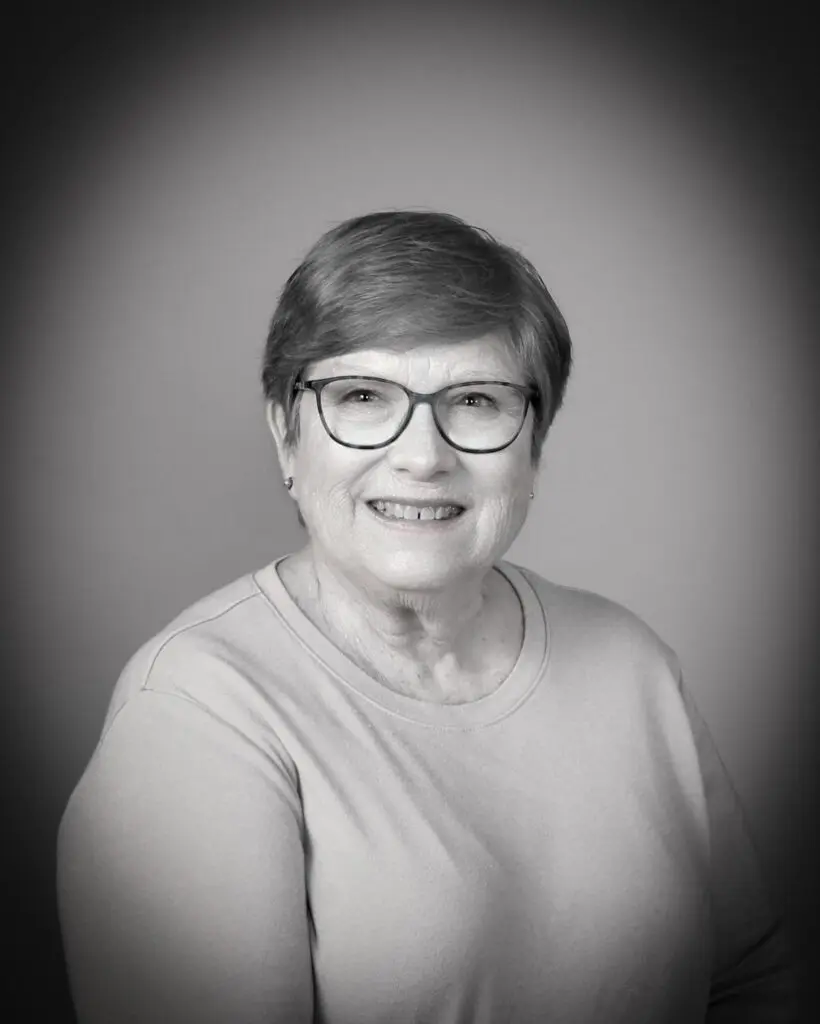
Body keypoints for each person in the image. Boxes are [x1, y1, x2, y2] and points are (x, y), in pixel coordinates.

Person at [57, 210, 795, 1022]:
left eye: (475, 400)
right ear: (286, 437)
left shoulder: (633, 665)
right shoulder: (194, 713)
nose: (423, 456)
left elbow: (751, 983)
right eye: (363, 396)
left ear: (535, 446)